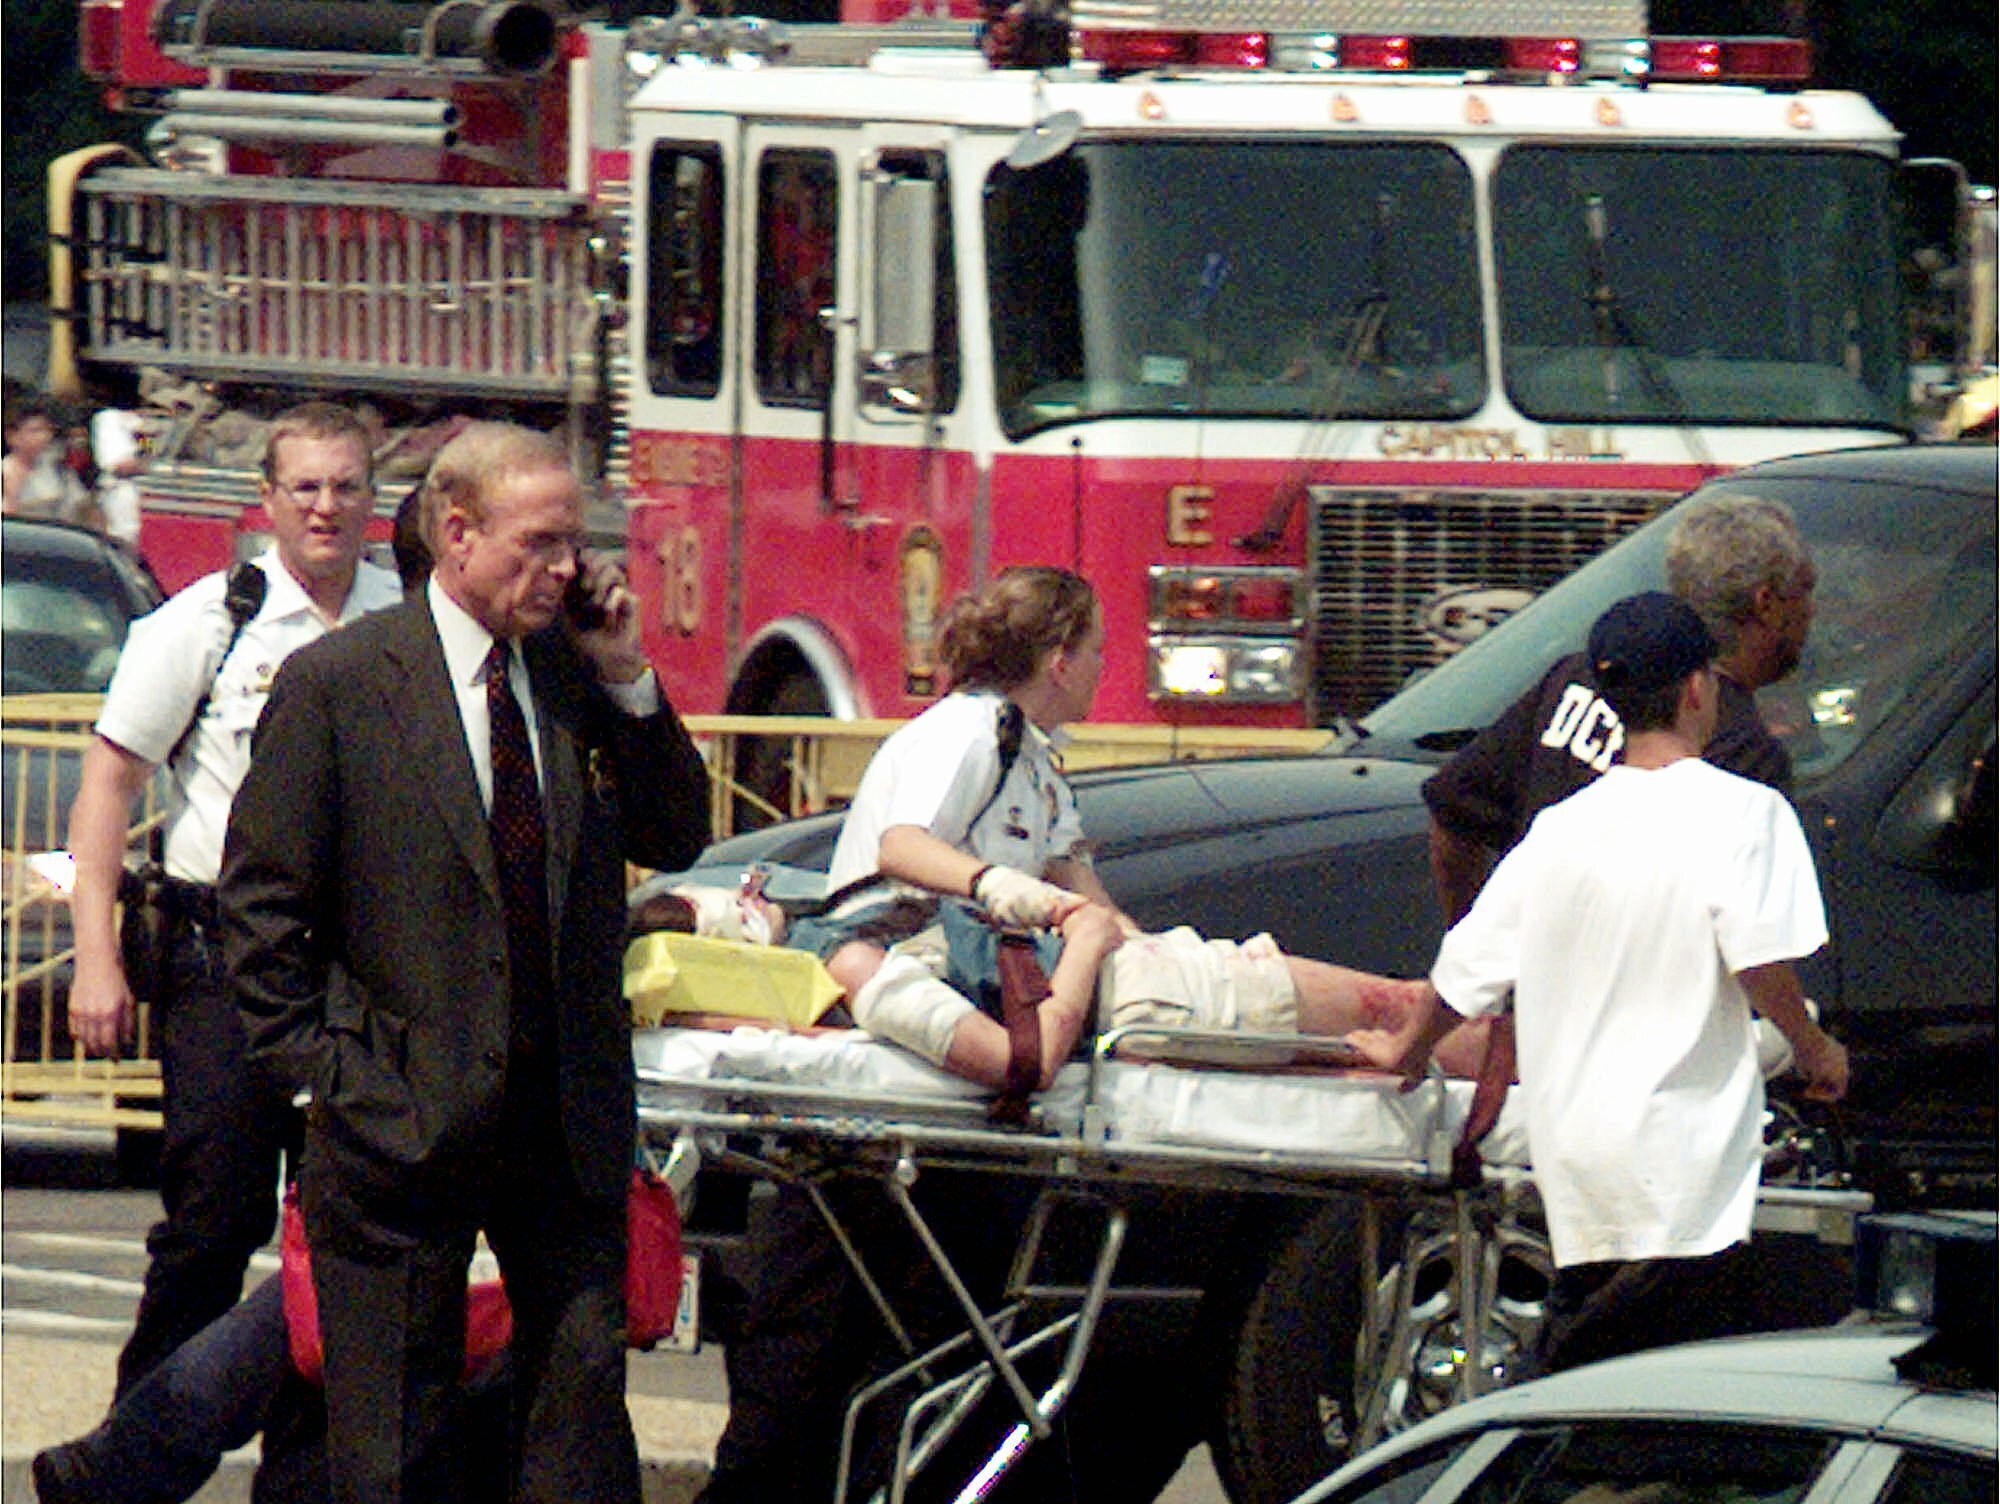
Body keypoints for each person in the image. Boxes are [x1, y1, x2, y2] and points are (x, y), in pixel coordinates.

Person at [219, 421, 710, 1504]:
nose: (566, 569)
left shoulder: (575, 676)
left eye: (574, 543)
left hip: (561, 1122)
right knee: (393, 1451)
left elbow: (678, 830)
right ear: (456, 533)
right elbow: (259, 911)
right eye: (538, 544)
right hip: (399, 1119)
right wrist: (331, 1076)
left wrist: (628, 673)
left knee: (576, 1437)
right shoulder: (343, 683)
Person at [1359, 592, 1850, 1375]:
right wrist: (1814, 1046)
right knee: (1655, 1404)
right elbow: (1760, 961)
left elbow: (1461, 980)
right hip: (1686, 1177)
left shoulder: (1559, 830)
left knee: (1593, 1374)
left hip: (1581, 1175)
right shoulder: (1746, 813)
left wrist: (1404, 1053)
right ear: (1699, 689)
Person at [62, 401, 403, 1398]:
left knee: (346, 1236)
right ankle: (136, 1454)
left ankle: (307, 1473)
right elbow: (106, 789)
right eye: (305, 487)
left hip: (366, 968)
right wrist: (96, 954)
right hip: (227, 961)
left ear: (372, 499)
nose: (326, 507)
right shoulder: (209, 621)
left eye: (346, 486)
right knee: (213, 1225)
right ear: (267, 500)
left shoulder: (408, 619)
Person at [1423, 493, 1815, 923]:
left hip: (1541, 981)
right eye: (1806, 590)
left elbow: (1454, 811)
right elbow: (1749, 937)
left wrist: (1480, 959)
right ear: (1767, 604)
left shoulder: (1579, 677)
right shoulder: (1745, 752)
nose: (1812, 610)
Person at [3, 392, 92, 523]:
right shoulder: (5, 471)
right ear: (12, 436)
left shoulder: (59, 469)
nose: (44, 437)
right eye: (35, 431)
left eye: (47, 430)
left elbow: (81, 507)